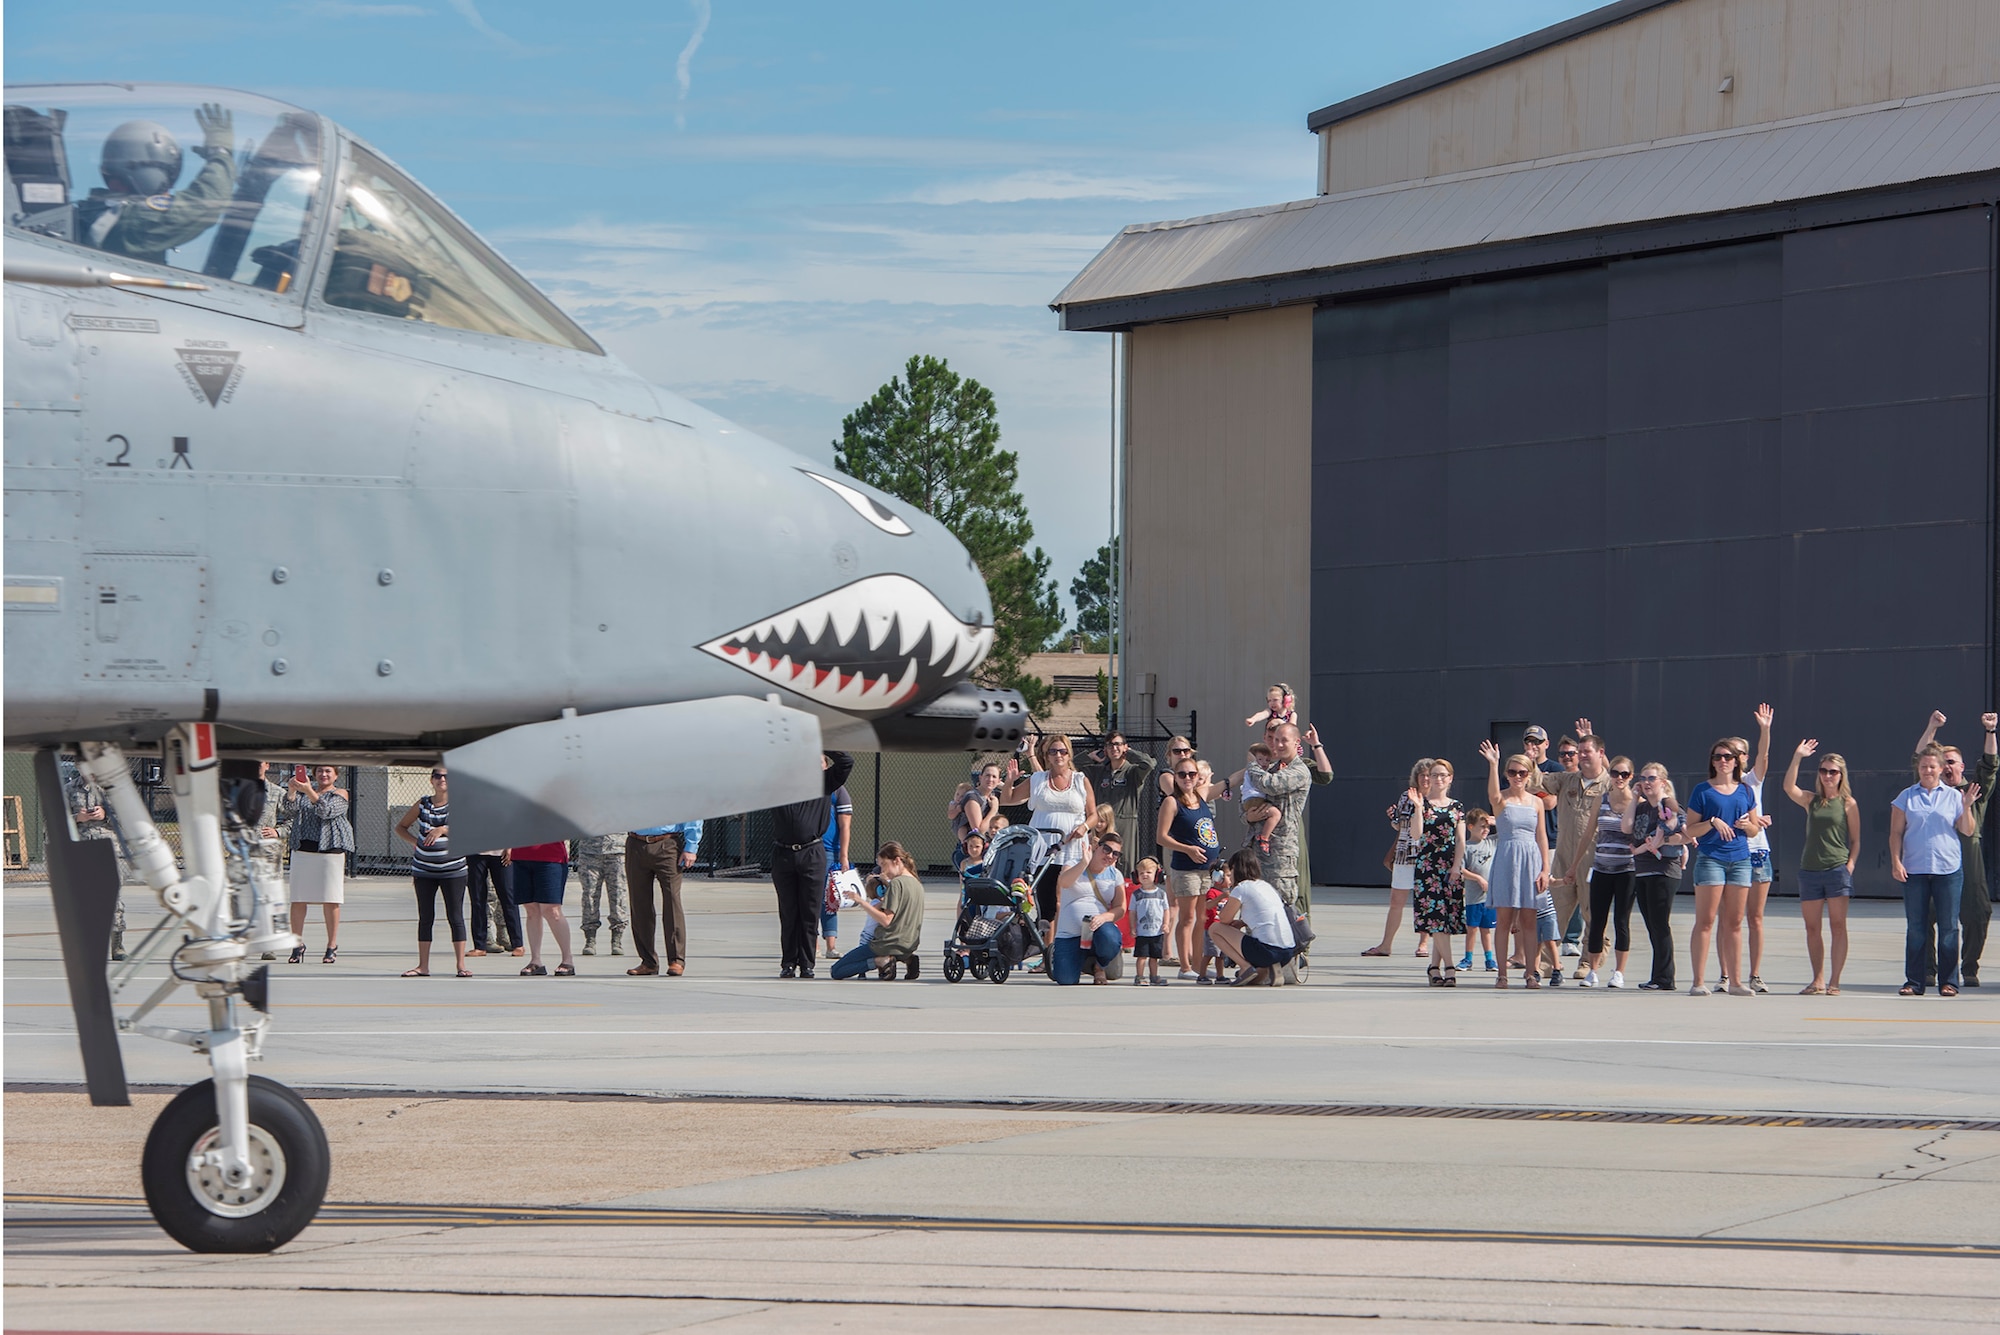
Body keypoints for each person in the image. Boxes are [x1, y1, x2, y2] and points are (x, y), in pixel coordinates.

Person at [77, 106, 236, 265]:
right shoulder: (132, 224)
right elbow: (208, 201)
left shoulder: (95, 214)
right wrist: (220, 154)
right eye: (169, 174)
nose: (170, 189)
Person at [1890, 743, 1981, 997]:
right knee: (1916, 928)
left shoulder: (1953, 796)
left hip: (1948, 870)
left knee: (1949, 928)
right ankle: (1914, 982)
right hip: (1915, 870)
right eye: (1923, 766)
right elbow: (1896, 833)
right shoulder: (1906, 797)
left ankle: (1949, 982)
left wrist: (1967, 806)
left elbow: (1967, 829)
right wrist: (1896, 862)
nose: (1927, 770)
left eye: (1932, 766)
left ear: (1941, 768)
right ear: (1918, 769)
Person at [1916, 711, 1998, 987]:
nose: (1947, 767)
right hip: (1937, 858)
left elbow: (1989, 765)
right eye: (1943, 763)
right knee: (1926, 912)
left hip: (1968, 856)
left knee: (1978, 912)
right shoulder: (1932, 790)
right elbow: (1920, 756)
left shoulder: (1973, 790)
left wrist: (1990, 731)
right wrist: (1932, 728)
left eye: (1952, 762)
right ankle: (1929, 969)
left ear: (1962, 766)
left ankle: (1969, 967)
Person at [1526, 720, 1609, 979]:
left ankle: (1588, 962)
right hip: (1563, 856)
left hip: (1594, 860)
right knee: (1555, 912)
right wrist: (1531, 760)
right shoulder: (1567, 780)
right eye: (1577, 752)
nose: (1580, 756)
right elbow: (1536, 782)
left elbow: (1621, 777)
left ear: (1600, 754)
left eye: (1585, 751)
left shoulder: (1609, 784)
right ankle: (1547, 965)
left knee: (1592, 914)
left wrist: (1590, 737)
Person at [1003, 735, 1096, 964]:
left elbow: (1093, 814)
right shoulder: (1038, 780)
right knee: (1047, 903)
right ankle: (1048, 955)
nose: (1058, 755)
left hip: (1072, 849)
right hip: (1044, 848)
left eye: (1062, 751)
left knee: (1064, 899)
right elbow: (1008, 798)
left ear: (1069, 754)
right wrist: (1009, 781)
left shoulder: (1080, 780)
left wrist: (1084, 826)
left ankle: (1070, 952)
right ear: (1046, 756)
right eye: (1053, 751)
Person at [1781, 740, 1858, 996]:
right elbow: (1788, 787)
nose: (1827, 776)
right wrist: (1797, 756)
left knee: (1838, 925)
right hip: (1810, 869)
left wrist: (1850, 865)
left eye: (1833, 772)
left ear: (1841, 775)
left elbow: (1856, 840)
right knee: (1812, 927)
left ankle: (1835, 981)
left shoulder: (1848, 803)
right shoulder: (1812, 800)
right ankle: (1818, 979)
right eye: (1824, 771)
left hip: (1837, 869)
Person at [770, 751, 856, 978]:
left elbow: (846, 762)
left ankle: (807, 963)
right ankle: (788, 962)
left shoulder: (824, 783)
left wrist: (824, 742)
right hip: (784, 853)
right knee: (789, 913)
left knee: (809, 912)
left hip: (812, 853)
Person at [1477, 742, 1553, 988]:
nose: (1517, 777)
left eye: (1522, 772)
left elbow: (1542, 836)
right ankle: (1501, 973)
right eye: (1512, 772)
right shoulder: (1502, 800)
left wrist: (1545, 869)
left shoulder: (1536, 802)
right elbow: (1492, 796)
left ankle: (1531, 973)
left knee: (1530, 920)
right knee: (1505, 918)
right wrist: (1493, 764)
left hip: (1530, 859)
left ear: (1529, 774)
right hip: (1507, 858)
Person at [1686, 738, 1758, 996]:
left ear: (1737, 760)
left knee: (1735, 922)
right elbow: (1689, 829)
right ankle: (1698, 981)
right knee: (1705, 921)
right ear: (1712, 762)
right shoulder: (1702, 791)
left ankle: (1737, 982)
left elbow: (1754, 828)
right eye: (1718, 757)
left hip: (1740, 859)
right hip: (1711, 858)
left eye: (1728, 756)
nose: (1723, 761)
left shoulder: (1745, 791)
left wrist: (1746, 826)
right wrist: (1713, 822)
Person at [1243, 723, 1315, 971]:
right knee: (1257, 904)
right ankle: (1262, 963)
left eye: (1284, 740)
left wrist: (1251, 763)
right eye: (1275, 740)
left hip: (1280, 852)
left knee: (1282, 905)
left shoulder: (1299, 771)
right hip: (1258, 848)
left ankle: (1292, 959)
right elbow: (1251, 801)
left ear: (1297, 744)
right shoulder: (1270, 768)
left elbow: (1270, 785)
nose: (1278, 744)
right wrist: (1248, 818)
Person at [396, 766, 469, 978]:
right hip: (424, 869)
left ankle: (461, 965)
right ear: (431, 780)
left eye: (446, 776)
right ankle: (423, 966)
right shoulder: (423, 804)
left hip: (453, 869)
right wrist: (416, 843)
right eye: (437, 776)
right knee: (425, 916)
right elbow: (401, 827)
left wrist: (443, 829)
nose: (442, 779)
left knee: (455, 916)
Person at [1724, 705, 1777, 992]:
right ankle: (1725, 974)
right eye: (1726, 753)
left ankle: (1754, 975)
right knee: (1728, 918)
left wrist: (1765, 729)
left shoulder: (1751, 780)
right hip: (1728, 853)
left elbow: (1763, 757)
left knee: (1755, 917)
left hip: (1757, 852)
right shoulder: (1719, 785)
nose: (1731, 758)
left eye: (1737, 753)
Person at [1158, 753, 1221, 980]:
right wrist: (1188, 849)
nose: (1187, 778)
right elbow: (1162, 837)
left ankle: (1197, 963)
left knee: (1202, 918)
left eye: (1192, 774)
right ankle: (1185, 966)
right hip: (1186, 868)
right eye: (1182, 774)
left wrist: (1253, 764)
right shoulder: (1171, 802)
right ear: (1175, 777)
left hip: (1206, 869)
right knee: (1187, 918)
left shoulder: (1201, 797)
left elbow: (1229, 782)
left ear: (1198, 777)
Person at [1624, 765, 1686, 992]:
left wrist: (1660, 843)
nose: (1647, 782)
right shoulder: (1640, 808)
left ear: (1662, 781)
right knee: (1651, 925)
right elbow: (1626, 827)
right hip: (1641, 871)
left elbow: (1683, 835)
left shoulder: (1669, 805)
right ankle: (1657, 976)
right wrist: (1633, 798)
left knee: (1660, 924)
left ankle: (1665, 978)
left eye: (1652, 778)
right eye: (1644, 778)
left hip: (1664, 871)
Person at [282, 765, 352, 965]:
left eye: (328, 771)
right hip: (303, 849)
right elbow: (289, 810)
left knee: (331, 899)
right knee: (298, 898)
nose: (323, 774)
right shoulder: (304, 791)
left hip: (330, 851)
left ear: (336, 775)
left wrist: (308, 791)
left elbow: (326, 811)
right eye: (320, 771)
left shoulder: (340, 794)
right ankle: (297, 944)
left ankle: (331, 945)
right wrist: (293, 790)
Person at [61, 755, 129, 960]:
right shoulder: (69, 789)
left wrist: (106, 816)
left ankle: (117, 945)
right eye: (82, 765)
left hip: (108, 849)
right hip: (83, 849)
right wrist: (77, 818)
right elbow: (54, 822)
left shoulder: (111, 788)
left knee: (113, 899)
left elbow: (128, 820)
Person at [1582, 756, 1638, 988]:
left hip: (1627, 869)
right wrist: (1575, 864)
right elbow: (1588, 834)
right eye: (1615, 773)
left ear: (1631, 777)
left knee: (1621, 920)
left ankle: (1619, 972)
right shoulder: (1601, 800)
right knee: (1597, 920)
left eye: (1624, 774)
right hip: (1602, 867)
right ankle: (1592, 970)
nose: (1619, 778)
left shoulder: (1637, 801)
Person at [1410, 760, 1467, 987]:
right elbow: (1416, 834)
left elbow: (1461, 840)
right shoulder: (1422, 804)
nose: (1439, 779)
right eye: (1434, 775)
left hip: (1449, 867)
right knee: (1436, 921)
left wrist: (1456, 866)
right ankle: (1449, 968)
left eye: (1443, 775)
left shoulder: (1457, 807)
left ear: (1450, 778)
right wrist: (1416, 808)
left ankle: (1434, 967)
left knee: (1445, 921)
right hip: (1427, 868)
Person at [831, 842, 924, 980]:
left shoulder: (897, 884)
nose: (882, 871)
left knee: (837, 971)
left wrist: (861, 901)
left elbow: (886, 920)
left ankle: (880, 961)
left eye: (884, 865)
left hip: (888, 943)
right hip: (909, 943)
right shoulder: (917, 884)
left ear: (897, 860)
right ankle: (908, 958)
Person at [1206, 850, 1298, 987]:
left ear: (1235, 869)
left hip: (1267, 951)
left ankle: (1245, 967)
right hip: (1288, 951)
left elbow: (1224, 920)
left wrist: (1225, 897)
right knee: (1253, 980)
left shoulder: (1241, 889)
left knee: (1214, 929)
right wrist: (1241, 922)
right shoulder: (1265, 886)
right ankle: (1271, 969)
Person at [625, 819, 702, 977]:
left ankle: (676, 960)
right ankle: (648, 962)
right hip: (636, 843)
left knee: (672, 902)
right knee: (639, 904)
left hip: (667, 843)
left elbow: (692, 812)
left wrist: (691, 846)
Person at [1051, 831, 1128, 985]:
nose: (1110, 855)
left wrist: (1103, 918)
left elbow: (1121, 908)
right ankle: (1083, 962)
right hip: (1070, 934)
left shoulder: (1115, 875)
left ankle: (1100, 965)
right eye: (1106, 849)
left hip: (1098, 931)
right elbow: (1064, 883)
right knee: (1065, 980)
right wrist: (1084, 863)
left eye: (1116, 854)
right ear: (1096, 847)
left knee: (1110, 937)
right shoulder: (1073, 863)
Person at [1080, 733, 1157, 873]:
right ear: (1105, 749)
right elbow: (1072, 767)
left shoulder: (1132, 772)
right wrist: (1089, 757)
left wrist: (1130, 753)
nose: (1114, 748)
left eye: (1118, 744)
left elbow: (1149, 764)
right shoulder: (1098, 772)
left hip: (1125, 825)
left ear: (1125, 747)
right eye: (1110, 745)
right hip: (1100, 826)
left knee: (1124, 864)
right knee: (1099, 863)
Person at [508, 841, 576, 977]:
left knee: (552, 910)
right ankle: (536, 961)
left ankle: (567, 959)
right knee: (531, 910)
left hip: (550, 856)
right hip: (522, 855)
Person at [573, 832, 627, 958]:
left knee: (618, 895)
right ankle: (590, 940)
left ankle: (617, 939)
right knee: (589, 896)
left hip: (617, 850)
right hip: (589, 850)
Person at [1457, 810, 1497, 973]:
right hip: (1474, 897)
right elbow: (1461, 870)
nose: (1485, 830)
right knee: (1472, 929)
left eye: (1487, 827)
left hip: (1489, 898)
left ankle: (1489, 959)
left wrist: (1496, 822)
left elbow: (1509, 831)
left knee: (1486, 930)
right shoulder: (1466, 847)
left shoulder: (1491, 842)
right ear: (1471, 827)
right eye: (1482, 827)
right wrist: (1478, 879)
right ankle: (1468, 958)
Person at [467, 846, 521, 958]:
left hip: (501, 852)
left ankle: (517, 944)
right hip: (475, 852)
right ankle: (480, 946)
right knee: (477, 899)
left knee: (508, 897)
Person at [820, 783, 854, 959]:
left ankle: (830, 946)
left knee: (829, 899)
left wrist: (843, 856)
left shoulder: (838, 791)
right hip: (808, 849)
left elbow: (845, 826)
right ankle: (812, 944)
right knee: (809, 899)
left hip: (829, 851)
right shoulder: (803, 787)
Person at [1129, 857, 1168, 986]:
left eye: (1149, 872)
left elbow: (1166, 910)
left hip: (1157, 932)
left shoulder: (1161, 894)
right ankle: (1139, 976)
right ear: (1137, 876)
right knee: (1141, 956)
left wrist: (1166, 924)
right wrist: (1132, 927)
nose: (1145, 875)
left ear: (1157, 874)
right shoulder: (1136, 895)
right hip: (1142, 932)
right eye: (1141, 873)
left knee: (1154, 957)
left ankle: (1154, 976)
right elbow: (1132, 912)